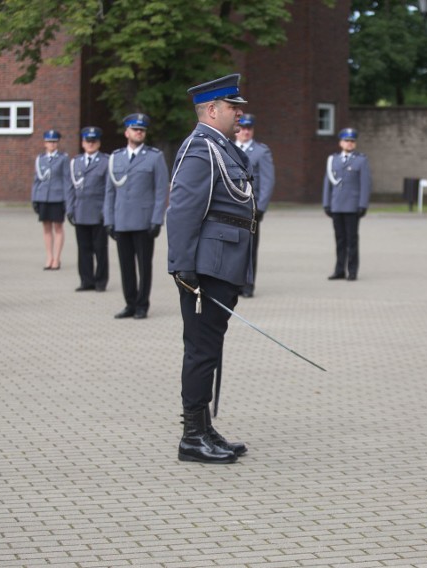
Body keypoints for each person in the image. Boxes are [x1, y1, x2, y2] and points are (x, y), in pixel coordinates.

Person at [167, 73, 254, 464]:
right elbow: (183, 209)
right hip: (206, 266)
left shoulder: (223, 147)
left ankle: (203, 428)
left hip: (224, 263)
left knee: (210, 347)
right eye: (233, 107)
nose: (239, 113)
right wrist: (183, 266)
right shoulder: (200, 148)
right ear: (213, 110)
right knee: (201, 349)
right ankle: (191, 437)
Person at [104, 113, 168, 319]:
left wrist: (157, 220)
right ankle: (129, 303)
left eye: (142, 130)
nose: (139, 132)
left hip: (144, 221)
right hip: (121, 220)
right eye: (135, 129)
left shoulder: (154, 157)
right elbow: (109, 192)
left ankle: (142, 305)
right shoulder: (115, 157)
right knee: (126, 266)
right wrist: (109, 220)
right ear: (127, 132)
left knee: (144, 266)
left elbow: (161, 191)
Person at [322, 127, 371, 281]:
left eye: (352, 141)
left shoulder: (361, 160)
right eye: (346, 141)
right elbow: (327, 183)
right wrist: (326, 203)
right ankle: (339, 270)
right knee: (339, 240)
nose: (349, 143)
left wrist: (363, 204)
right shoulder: (333, 160)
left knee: (352, 240)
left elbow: (365, 184)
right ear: (340, 143)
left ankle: (352, 271)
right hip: (336, 206)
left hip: (352, 207)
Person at [234, 113, 275, 298]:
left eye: (249, 128)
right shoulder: (228, 148)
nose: (245, 132)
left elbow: (267, 181)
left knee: (249, 247)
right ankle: (234, 282)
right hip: (231, 207)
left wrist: (261, 207)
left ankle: (248, 284)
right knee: (232, 246)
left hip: (251, 207)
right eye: (242, 128)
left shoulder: (261, 151)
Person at [66, 126, 110, 292]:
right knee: (83, 249)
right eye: (87, 141)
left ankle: (100, 281)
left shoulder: (106, 161)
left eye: (94, 141)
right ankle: (86, 280)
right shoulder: (75, 162)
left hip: (98, 212)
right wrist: (70, 209)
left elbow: (108, 189)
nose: (90, 144)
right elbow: (70, 188)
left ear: (98, 143)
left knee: (100, 249)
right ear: (83, 143)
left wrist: (106, 212)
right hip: (81, 211)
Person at [31, 129, 69, 270]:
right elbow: (36, 181)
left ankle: (57, 259)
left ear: (57, 143)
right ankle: (49, 257)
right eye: (49, 141)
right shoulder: (40, 159)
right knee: (46, 228)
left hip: (58, 197)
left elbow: (66, 180)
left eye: (54, 142)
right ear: (44, 143)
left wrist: (67, 199)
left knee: (58, 228)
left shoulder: (63, 158)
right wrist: (34, 198)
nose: (52, 144)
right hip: (43, 198)